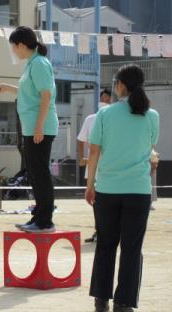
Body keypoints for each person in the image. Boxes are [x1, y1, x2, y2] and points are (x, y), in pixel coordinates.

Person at [85, 65, 159, 312]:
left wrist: (90, 185)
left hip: (107, 189)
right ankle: (124, 303)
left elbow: (94, 151)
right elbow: (149, 148)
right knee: (132, 248)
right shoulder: (152, 116)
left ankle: (100, 300)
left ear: (119, 86)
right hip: (138, 191)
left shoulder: (104, 114)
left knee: (105, 244)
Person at [0, 26, 58, 233]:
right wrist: (5, 87)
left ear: (21, 45)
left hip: (40, 127)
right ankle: (38, 217)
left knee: (40, 174)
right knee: (35, 173)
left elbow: (46, 95)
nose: (14, 51)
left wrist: (39, 126)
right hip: (32, 127)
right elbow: (28, 92)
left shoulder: (39, 64)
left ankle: (45, 221)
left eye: (14, 47)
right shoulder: (32, 64)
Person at [77, 90, 111, 243]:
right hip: (94, 164)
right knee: (95, 200)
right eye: (102, 97)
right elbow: (81, 139)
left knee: (111, 199)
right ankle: (99, 231)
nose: (104, 99)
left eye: (107, 97)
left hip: (111, 162)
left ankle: (109, 231)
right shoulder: (91, 119)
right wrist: (81, 157)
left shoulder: (115, 118)